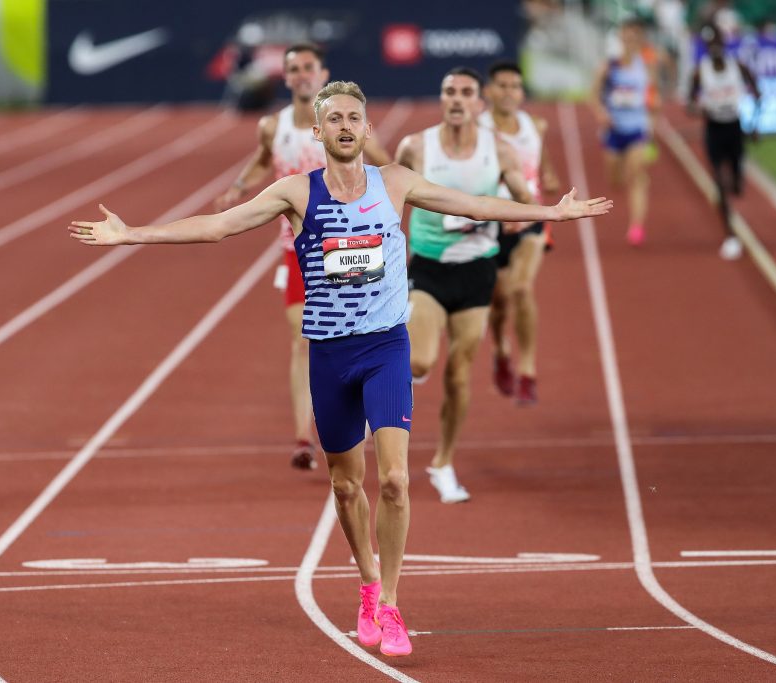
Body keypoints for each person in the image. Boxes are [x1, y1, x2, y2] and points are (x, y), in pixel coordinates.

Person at [68, 80, 612, 657]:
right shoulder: (296, 193)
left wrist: (548, 212)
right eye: (336, 119)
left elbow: (470, 204)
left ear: (368, 129)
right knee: (347, 484)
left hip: (385, 348)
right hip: (330, 356)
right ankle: (367, 583)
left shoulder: (394, 182)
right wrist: (132, 233)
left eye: (356, 117)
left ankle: (392, 605)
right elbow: (219, 225)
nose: (347, 126)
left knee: (396, 481)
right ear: (319, 131)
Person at [215, 44, 391, 470]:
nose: (300, 75)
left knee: (357, 334)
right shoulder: (272, 125)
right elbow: (263, 160)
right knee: (304, 339)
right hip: (297, 250)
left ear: (322, 72)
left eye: (308, 67)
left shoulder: (343, 124)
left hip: (352, 248)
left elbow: (385, 167)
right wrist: (240, 187)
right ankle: (302, 435)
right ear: (286, 76)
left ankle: (360, 413)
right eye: (293, 69)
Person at [395, 67, 538, 504]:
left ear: (480, 103)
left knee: (458, 376)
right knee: (420, 360)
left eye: (466, 93)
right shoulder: (417, 146)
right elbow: (388, 198)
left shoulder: (499, 150)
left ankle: (443, 463)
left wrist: (518, 217)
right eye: (449, 91)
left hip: (477, 270)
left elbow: (525, 203)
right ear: (442, 98)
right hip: (429, 268)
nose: (457, 99)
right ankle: (400, 383)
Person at [479, 62, 561, 406]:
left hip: (529, 221)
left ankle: (527, 372)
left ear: (522, 93)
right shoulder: (476, 130)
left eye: (515, 86)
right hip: (489, 225)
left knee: (522, 289)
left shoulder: (534, 126)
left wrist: (549, 179)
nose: (509, 92)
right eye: (502, 85)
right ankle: (501, 349)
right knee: (499, 301)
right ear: (489, 91)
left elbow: (543, 168)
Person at [689, 25, 759, 260]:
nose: (715, 47)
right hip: (714, 129)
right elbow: (689, 103)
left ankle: (737, 180)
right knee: (719, 181)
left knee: (736, 182)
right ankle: (729, 234)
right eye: (710, 44)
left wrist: (754, 124)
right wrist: (700, 109)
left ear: (723, 42)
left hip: (735, 127)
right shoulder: (700, 72)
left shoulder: (736, 67)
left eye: (718, 42)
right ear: (706, 47)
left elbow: (757, 91)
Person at [590, 16, 661, 246]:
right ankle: (631, 179)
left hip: (637, 128)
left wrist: (653, 119)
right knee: (616, 181)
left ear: (640, 38)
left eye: (635, 35)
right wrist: (601, 113)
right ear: (621, 37)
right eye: (627, 35)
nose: (631, 40)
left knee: (636, 177)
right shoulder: (609, 66)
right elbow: (592, 96)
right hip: (613, 130)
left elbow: (654, 95)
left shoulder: (647, 65)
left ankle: (636, 226)